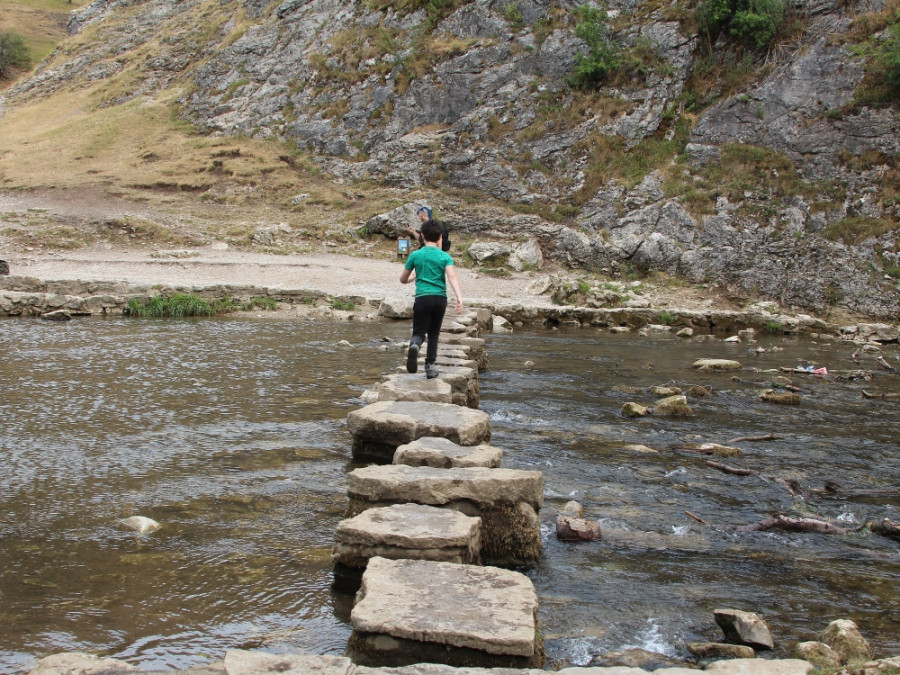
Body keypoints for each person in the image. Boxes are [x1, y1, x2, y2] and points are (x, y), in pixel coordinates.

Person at [400, 219, 463, 379]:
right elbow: (452, 277)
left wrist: (412, 278)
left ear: (422, 236)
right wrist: (459, 297)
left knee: (420, 332)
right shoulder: (444, 257)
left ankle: (414, 345)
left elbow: (402, 279)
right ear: (440, 237)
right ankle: (430, 366)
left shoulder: (415, 255)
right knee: (434, 333)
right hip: (439, 299)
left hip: (422, 298)